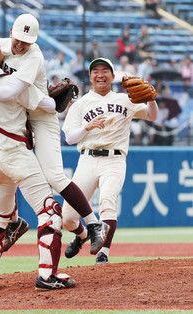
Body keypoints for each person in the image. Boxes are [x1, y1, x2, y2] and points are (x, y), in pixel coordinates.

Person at [0, 13, 109, 255]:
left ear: (34, 41)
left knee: (54, 177)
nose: (20, 45)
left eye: (26, 41)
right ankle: (22, 224)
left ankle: (93, 224)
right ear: (10, 32)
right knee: (10, 171)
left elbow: (12, 92)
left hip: (40, 117)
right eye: (18, 39)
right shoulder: (1, 46)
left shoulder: (34, 56)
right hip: (21, 116)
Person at [0, 34, 75, 291]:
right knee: (50, 213)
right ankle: (48, 276)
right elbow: (47, 104)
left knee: (0, 215)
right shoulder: (10, 82)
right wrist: (53, 100)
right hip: (14, 153)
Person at [62, 58, 158, 264]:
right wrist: (86, 127)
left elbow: (152, 116)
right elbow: (69, 138)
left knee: (107, 202)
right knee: (68, 218)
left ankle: (103, 251)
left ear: (113, 77)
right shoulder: (81, 104)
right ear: (90, 77)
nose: (100, 74)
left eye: (105, 70)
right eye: (95, 71)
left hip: (114, 159)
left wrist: (151, 98)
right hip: (87, 160)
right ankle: (82, 235)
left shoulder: (125, 100)